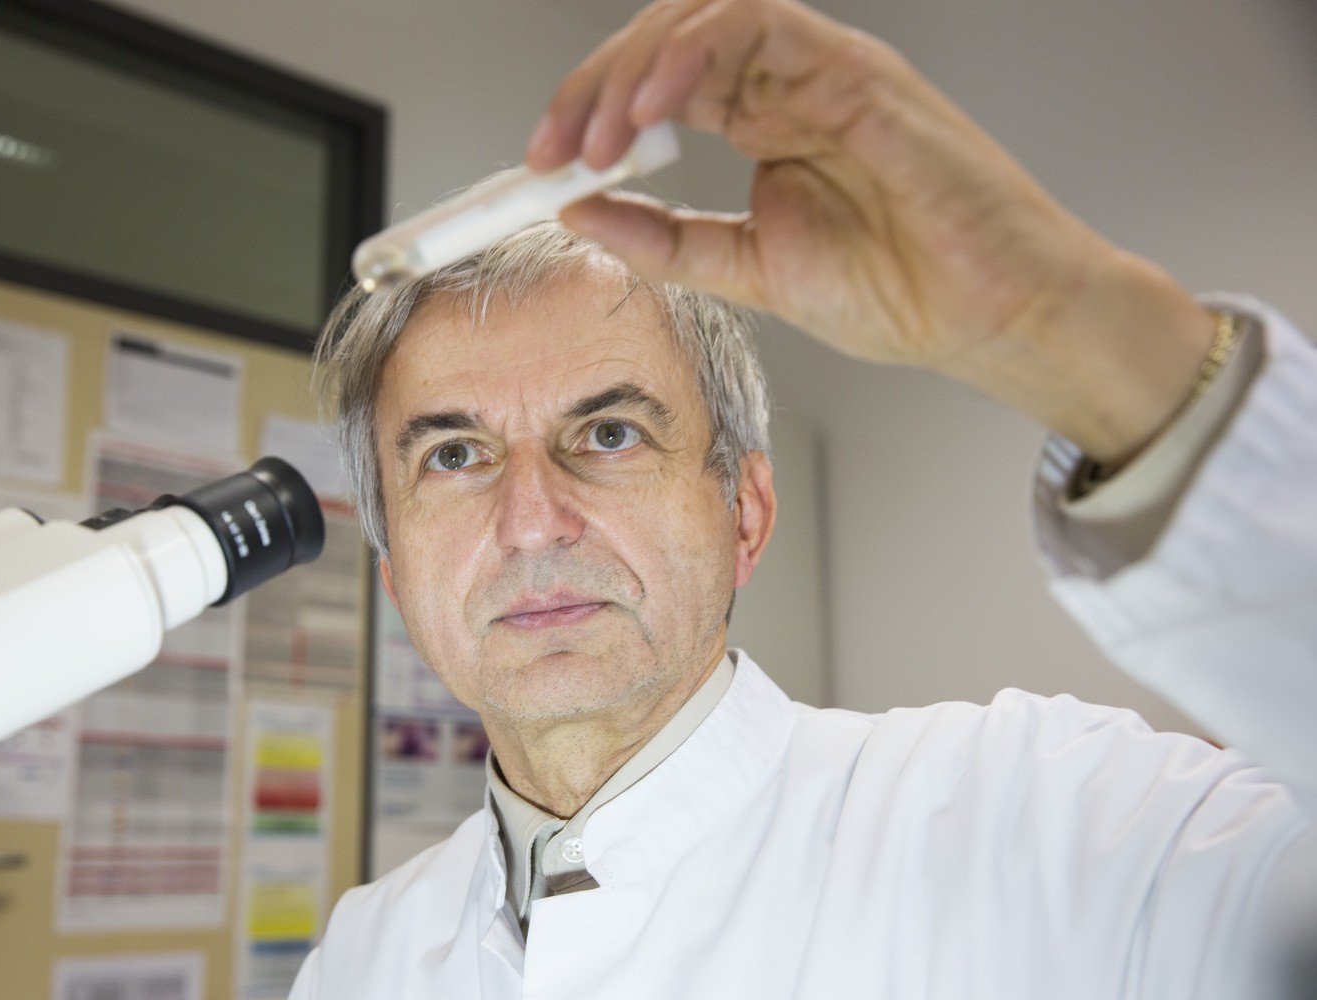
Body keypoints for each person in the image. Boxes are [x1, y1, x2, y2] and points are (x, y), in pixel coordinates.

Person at [291, 0, 1317, 996]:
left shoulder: (1057, 825)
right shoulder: (365, 953)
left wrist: (1053, 312)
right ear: (395, 573)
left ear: (745, 512)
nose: (530, 522)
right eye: (456, 456)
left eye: (609, 434)